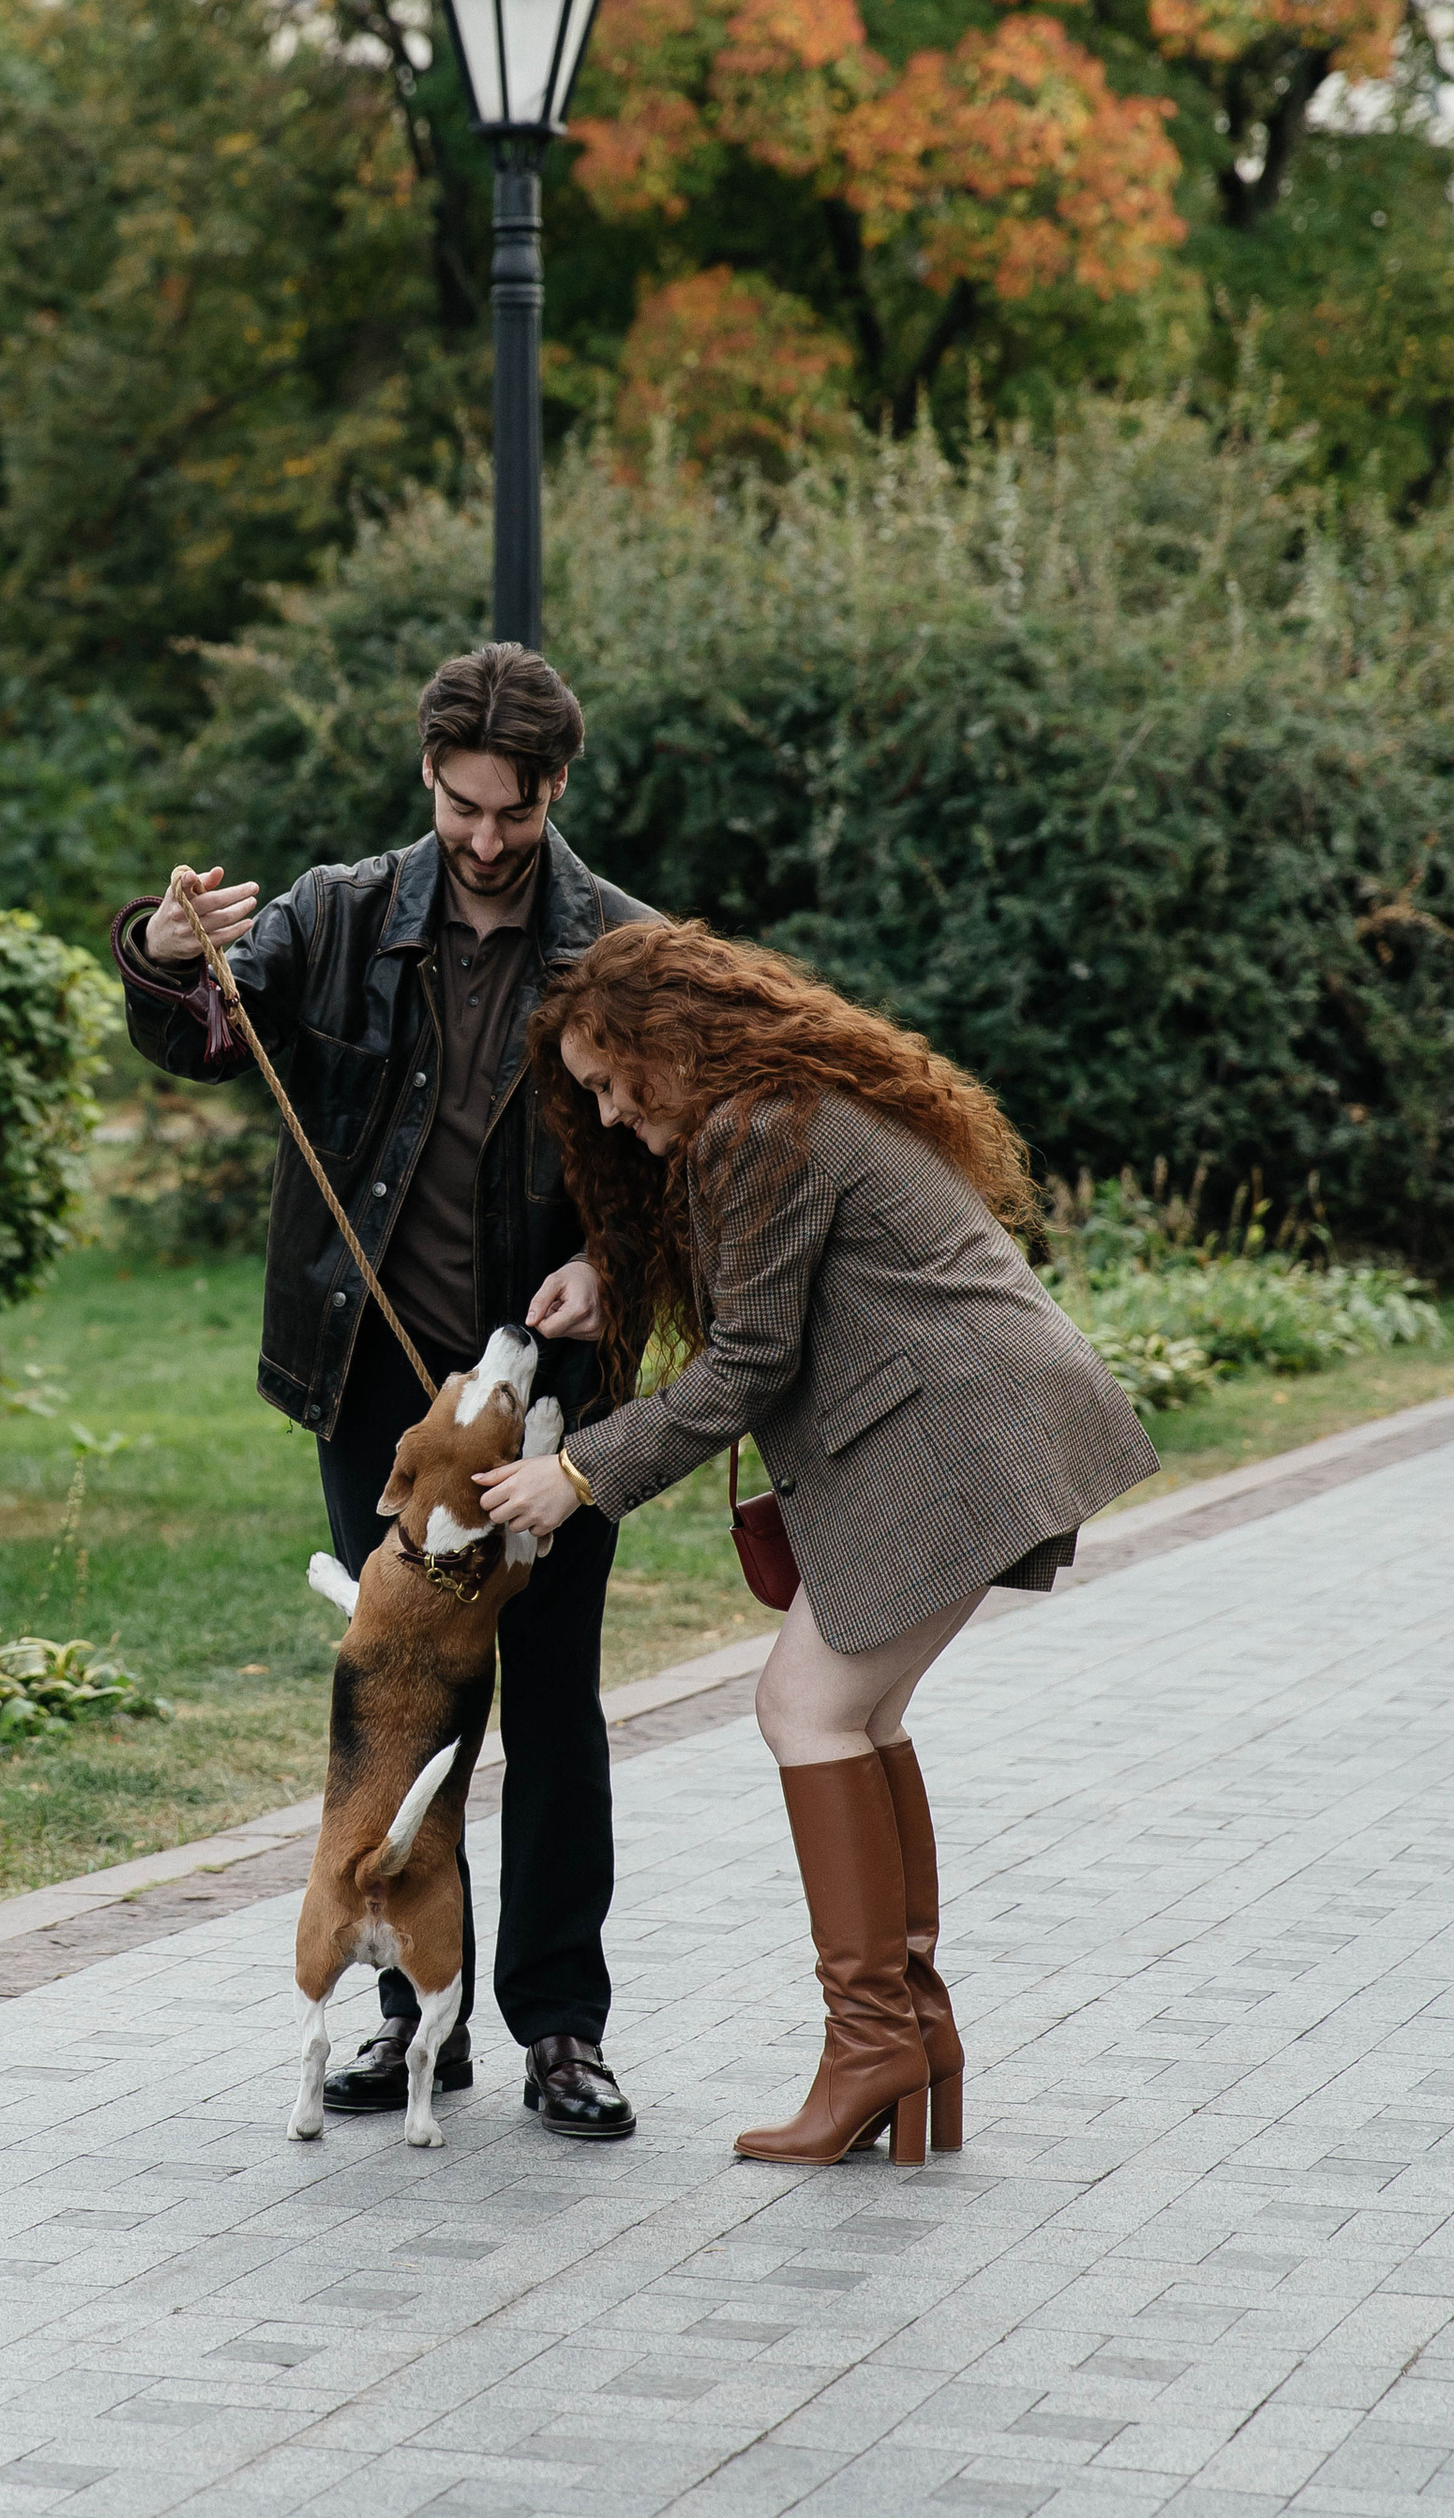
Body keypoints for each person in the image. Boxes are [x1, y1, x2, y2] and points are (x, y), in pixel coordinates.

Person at [475, 919, 1157, 2167]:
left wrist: (575, 1474)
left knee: (804, 1708)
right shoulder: (782, 1108)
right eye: (593, 1095)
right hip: (976, 1415)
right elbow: (766, 1288)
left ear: (673, 1043)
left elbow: (749, 1358)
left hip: (952, 1429)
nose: (612, 1114)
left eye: (617, 1082)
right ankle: (910, 2038)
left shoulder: (757, 1127)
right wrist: (613, 1281)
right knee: (858, 1714)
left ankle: (875, 2046)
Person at [113, 643, 657, 2138]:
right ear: (428, 775)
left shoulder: (621, 947)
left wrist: (611, 1263)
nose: (484, 839)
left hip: (553, 1400)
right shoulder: (339, 913)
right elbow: (205, 1034)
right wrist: (165, 949)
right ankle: (421, 2016)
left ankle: (561, 2027)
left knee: (551, 1702)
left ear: (558, 785)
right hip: (378, 1394)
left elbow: (676, 1156)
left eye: (514, 811)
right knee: (406, 1713)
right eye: (461, 806)